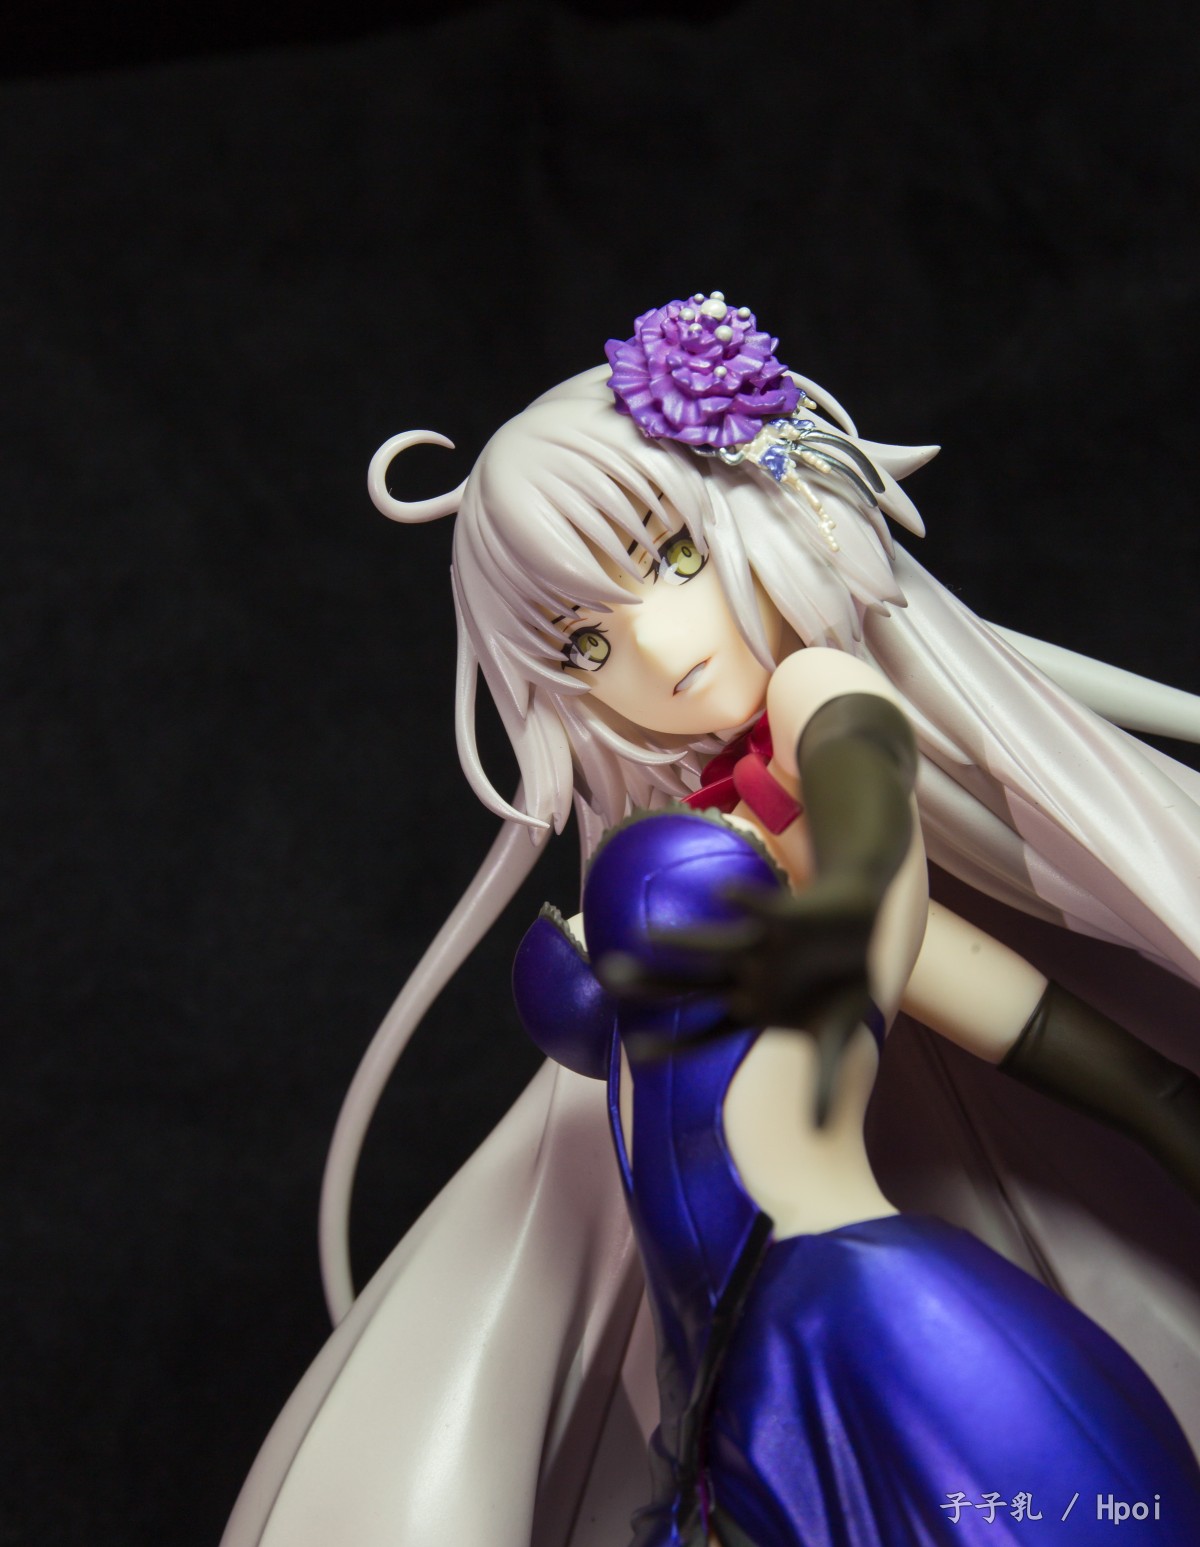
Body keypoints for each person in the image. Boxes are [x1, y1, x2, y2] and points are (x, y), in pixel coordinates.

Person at [222, 297, 1200, 1547]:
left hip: (856, 1303)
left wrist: (857, 883)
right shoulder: (711, 817)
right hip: (724, 1371)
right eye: (583, 643)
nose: (649, 645)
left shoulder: (811, 699)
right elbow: (1000, 1003)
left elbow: (860, 757)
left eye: (669, 555)